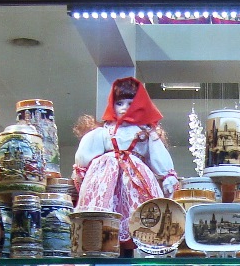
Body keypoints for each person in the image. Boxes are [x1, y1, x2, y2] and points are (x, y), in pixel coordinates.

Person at [72, 76, 178, 246]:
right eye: (119, 103)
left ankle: (134, 244)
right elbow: (86, 153)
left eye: (130, 103)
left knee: (139, 215)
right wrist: (83, 171)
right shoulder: (104, 131)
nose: (124, 108)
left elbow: (157, 153)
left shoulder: (145, 133)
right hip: (106, 176)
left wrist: (167, 175)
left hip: (135, 176)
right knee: (103, 209)